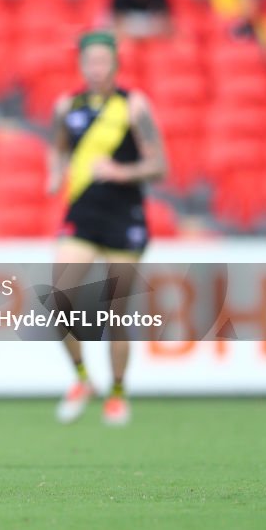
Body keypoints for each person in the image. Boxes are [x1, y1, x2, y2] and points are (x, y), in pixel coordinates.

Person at [46, 31, 168, 427]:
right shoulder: (67, 105)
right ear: (81, 65)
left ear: (114, 63)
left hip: (124, 217)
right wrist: (55, 172)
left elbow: (159, 166)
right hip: (83, 214)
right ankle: (83, 379)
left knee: (117, 313)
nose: (96, 68)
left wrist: (120, 171)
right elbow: (59, 146)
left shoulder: (133, 106)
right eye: (90, 62)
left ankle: (117, 392)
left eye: (103, 61)